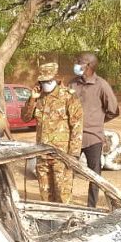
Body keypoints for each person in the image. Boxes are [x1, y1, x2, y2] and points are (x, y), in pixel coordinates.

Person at [22, 62, 83, 203]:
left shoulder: (68, 96)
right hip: (42, 155)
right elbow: (25, 118)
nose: (46, 84)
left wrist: (73, 154)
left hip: (61, 156)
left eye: (49, 81)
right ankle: (49, 225)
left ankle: (66, 224)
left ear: (56, 78)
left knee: (63, 196)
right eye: (43, 81)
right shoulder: (38, 97)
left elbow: (77, 126)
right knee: (45, 198)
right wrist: (32, 98)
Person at [69, 52, 119, 207]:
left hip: (93, 138)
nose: (76, 64)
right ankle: (65, 203)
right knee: (67, 171)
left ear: (89, 65)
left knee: (94, 175)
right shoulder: (73, 84)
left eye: (80, 62)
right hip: (73, 138)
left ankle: (92, 206)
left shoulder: (101, 85)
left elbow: (113, 110)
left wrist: (97, 122)